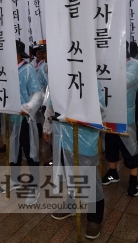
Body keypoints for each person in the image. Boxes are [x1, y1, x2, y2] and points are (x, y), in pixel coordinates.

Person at [45, 83, 106, 240]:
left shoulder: (88, 77)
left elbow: (100, 107)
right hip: (63, 135)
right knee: (69, 172)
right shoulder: (59, 76)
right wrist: (47, 126)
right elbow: (51, 103)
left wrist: (78, 112)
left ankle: (94, 218)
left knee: (90, 177)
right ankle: (72, 204)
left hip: (85, 136)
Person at [102, 43, 138, 197]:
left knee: (129, 147)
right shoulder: (106, 65)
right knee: (110, 144)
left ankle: (133, 179)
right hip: (108, 113)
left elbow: (124, 83)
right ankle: (113, 172)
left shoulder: (134, 65)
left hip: (125, 115)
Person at [7, 40, 43, 204]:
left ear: (18, 55)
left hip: (25, 118)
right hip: (12, 117)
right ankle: (15, 179)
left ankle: (34, 186)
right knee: (14, 148)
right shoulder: (6, 71)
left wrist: (28, 107)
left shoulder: (27, 69)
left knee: (30, 151)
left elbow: (37, 94)